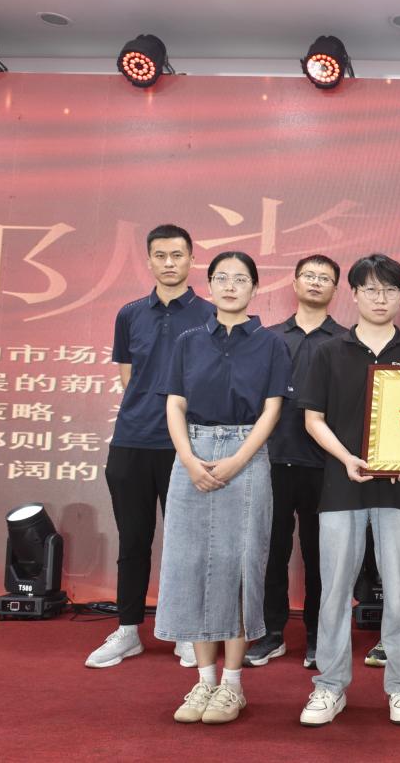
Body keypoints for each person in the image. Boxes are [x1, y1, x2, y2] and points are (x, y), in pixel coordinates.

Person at [154, 251, 292, 724]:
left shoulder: (271, 344)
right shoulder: (188, 341)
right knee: (191, 563)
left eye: (241, 279)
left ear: (256, 288)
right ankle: (203, 681)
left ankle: (232, 685)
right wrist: (189, 460)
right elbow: (175, 404)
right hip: (191, 453)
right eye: (221, 278)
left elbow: (272, 409)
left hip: (246, 453)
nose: (230, 286)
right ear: (209, 286)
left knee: (240, 565)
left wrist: (237, 460)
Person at [297, 254, 400, 727]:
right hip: (341, 486)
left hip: (399, 492)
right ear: (353, 294)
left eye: (390, 290)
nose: (380, 298)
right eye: (370, 289)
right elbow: (313, 419)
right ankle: (329, 686)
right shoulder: (327, 351)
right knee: (334, 590)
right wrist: (346, 459)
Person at [87, 224, 213, 670]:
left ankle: (186, 631)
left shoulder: (210, 314)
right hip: (132, 440)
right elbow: (129, 376)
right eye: (160, 255)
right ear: (149, 260)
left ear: (191, 259)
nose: (169, 263)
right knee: (133, 539)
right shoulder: (130, 314)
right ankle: (127, 630)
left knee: (188, 545)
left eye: (177, 255)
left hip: (186, 446)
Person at [246, 255, 346, 670]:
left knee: (322, 556)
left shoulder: (345, 341)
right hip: (270, 459)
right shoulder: (267, 338)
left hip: (326, 465)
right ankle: (271, 633)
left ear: (336, 289)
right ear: (295, 283)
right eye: (309, 275)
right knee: (271, 552)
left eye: (325, 278)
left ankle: (318, 636)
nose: (316, 282)